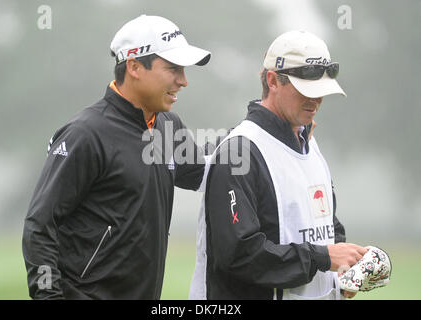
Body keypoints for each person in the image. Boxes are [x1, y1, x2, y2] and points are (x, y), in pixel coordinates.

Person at [22, 14, 210, 299]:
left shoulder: (169, 128)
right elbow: (40, 226)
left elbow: (205, 173)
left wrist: (252, 139)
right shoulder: (85, 134)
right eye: (173, 68)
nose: (183, 81)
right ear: (134, 66)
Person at [189, 30, 367, 300]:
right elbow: (239, 254)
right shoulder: (239, 153)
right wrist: (322, 257)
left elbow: (327, 225)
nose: (316, 101)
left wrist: (344, 270)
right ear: (272, 80)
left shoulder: (309, 143)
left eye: (322, 91)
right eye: (306, 90)